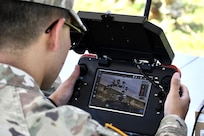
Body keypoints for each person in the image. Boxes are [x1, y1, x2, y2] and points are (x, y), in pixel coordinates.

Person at [0, 0, 190, 136]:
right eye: (73, 33)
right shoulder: (69, 128)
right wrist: (173, 121)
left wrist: (51, 104)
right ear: (56, 33)